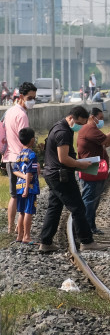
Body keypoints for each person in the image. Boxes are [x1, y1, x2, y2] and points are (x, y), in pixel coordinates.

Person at [38, 106, 105, 252]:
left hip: (52, 174)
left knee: (54, 208)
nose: (80, 127)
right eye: (80, 123)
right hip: (61, 176)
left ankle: (46, 242)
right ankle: (86, 241)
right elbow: (63, 158)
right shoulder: (63, 132)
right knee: (78, 208)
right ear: (71, 118)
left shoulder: (57, 126)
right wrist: (80, 164)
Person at [76, 107, 110, 235]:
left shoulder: (93, 130)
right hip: (90, 169)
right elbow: (106, 141)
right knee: (89, 199)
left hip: (94, 169)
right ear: (92, 117)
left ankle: (90, 226)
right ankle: (86, 227)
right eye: (100, 118)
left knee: (93, 199)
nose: (101, 121)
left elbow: (108, 143)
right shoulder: (90, 129)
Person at [4, 82, 35, 235]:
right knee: (24, 196)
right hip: (21, 160)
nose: (32, 101)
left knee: (13, 196)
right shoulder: (22, 115)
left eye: (34, 98)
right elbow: (26, 140)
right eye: (30, 98)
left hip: (8, 158)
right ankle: (20, 229)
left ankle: (11, 228)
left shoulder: (9, 112)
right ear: (21, 97)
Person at [12, 128, 39, 245]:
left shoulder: (20, 155)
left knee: (21, 212)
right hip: (30, 188)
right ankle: (27, 236)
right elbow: (29, 172)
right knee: (28, 211)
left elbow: (15, 171)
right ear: (32, 140)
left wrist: (22, 178)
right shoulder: (32, 155)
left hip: (19, 187)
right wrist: (27, 187)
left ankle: (20, 235)